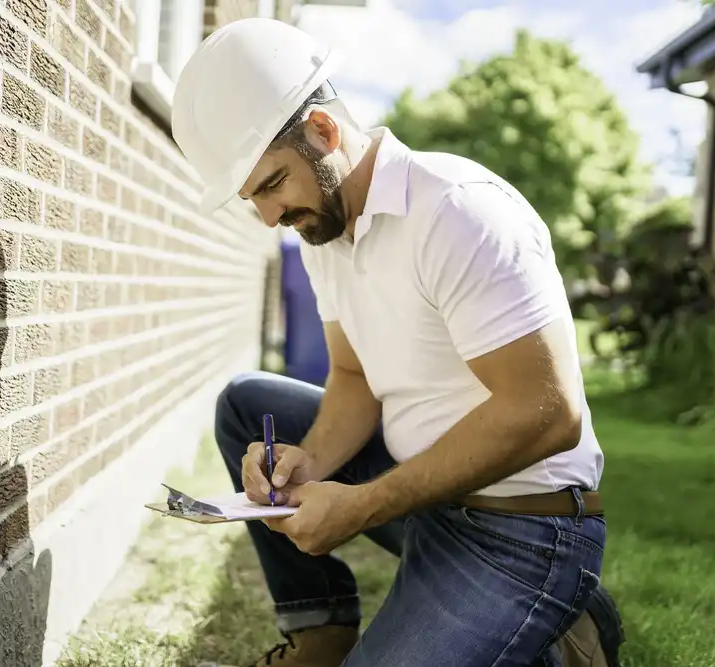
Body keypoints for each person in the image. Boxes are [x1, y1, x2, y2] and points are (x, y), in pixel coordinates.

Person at [171, 18, 609, 667]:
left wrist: (363, 503)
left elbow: (547, 413)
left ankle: (560, 632)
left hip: (524, 531)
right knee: (245, 401)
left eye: (271, 184)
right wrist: (310, 460)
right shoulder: (324, 226)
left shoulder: (459, 212)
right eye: (251, 198)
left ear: (324, 130)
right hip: (429, 504)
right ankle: (320, 636)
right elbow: (351, 375)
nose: (268, 217)